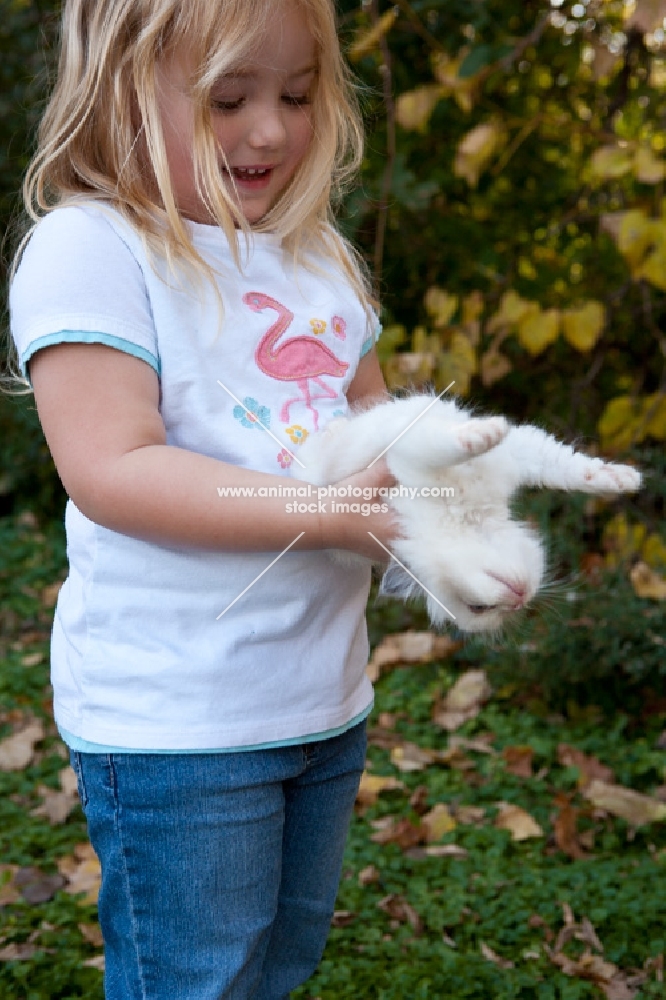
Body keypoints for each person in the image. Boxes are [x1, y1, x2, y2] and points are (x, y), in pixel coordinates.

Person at [8, 0, 399, 997]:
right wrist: (321, 512)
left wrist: (443, 524)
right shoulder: (93, 247)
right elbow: (114, 468)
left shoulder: (318, 256)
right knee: (201, 979)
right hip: (180, 722)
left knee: (278, 966)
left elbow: (379, 429)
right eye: (229, 98)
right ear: (118, 87)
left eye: (297, 95)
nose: (269, 128)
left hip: (320, 697)